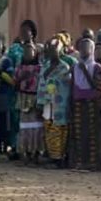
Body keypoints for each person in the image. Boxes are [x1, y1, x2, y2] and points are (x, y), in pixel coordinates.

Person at [37, 39, 72, 168]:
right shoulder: (45, 66)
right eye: (50, 50)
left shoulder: (64, 67)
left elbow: (65, 86)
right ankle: (51, 156)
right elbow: (41, 82)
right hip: (47, 103)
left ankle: (58, 158)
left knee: (59, 130)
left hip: (60, 104)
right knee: (48, 129)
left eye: (55, 50)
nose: (52, 53)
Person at [69, 38, 100, 170]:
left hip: (91, 102)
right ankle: (80, 161)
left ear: (92, 50)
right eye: (81, 47)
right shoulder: (74, 67)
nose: (83, 50)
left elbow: (95, 86)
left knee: (91, 133)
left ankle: (92, 162)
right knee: (78, 133)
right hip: (77, 102)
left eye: (86, 47)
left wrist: (85, 71)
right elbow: (72, 85)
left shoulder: (96, 67)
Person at [14, 43, 43, 165]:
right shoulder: (19, 68)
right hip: (23, 97)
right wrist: (21, 78)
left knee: (36, 128)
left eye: (30, 51)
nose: (27, 54)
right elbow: (15, 84)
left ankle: (35, 154)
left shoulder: (40, 68)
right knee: (24, 127)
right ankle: (24, 153)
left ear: (35, 53)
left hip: (35, 97)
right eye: (25, 52)